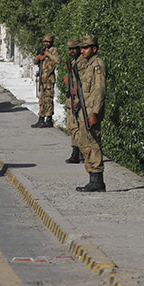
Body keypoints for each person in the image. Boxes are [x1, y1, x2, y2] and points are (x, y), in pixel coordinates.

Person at [74, 35, 107, 192]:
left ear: (94, 48)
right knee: (85, 143)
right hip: (84, 110)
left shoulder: (97, 65)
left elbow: (99, 90)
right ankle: (92, 178)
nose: (82, 50)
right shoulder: (86, 65)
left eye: (85, 48)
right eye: (81, 47)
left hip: (91, 112)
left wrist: (95, 112)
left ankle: (97, 180)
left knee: (93, 143)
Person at [62, 39, 85, 164]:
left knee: (77, 126)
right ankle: (75, 152)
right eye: (70, 49)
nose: (72, 51)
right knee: (72, 126)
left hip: (78, 97)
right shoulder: (74, 62)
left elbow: (82, 81)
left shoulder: (82, 62)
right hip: (72, 97)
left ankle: (80, 152)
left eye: (74, 49)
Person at [31, 35, 61, 128]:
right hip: (42, 79)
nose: (46, 43)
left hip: (49, 79)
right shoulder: (43, 50)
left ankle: (48, 119)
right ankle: (41, 118)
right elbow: (35, 61)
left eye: (48, 42)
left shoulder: (53, 50)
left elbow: (58, 60)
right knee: (41, 99)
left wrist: (48, 55)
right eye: (45, 42)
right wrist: (39, 58)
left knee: (48, 99)